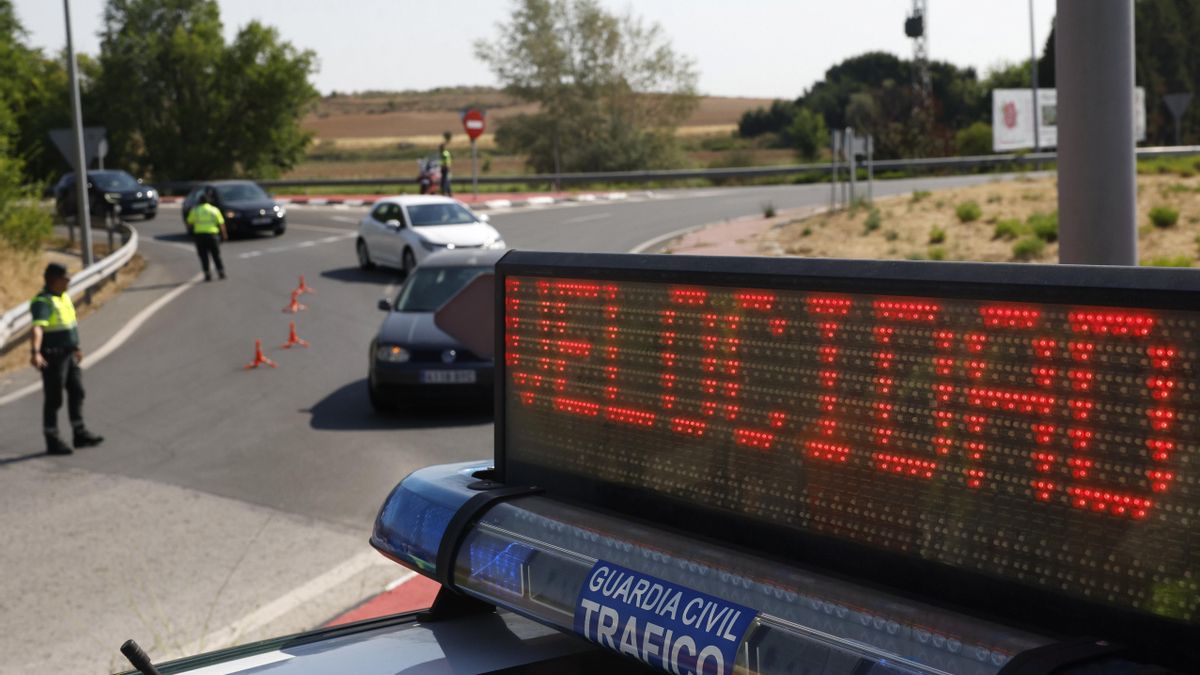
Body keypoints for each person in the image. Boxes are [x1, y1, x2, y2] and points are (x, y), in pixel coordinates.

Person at [30, 263, 104, 455]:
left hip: (69, 354)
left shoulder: (63, 298)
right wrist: (35, 352)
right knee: (54, 398)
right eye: (65, 277)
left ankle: (79, 433)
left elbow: (68, 325)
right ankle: (52, 439)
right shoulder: (43, 302)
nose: (69, 280)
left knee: (77, 391)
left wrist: (76, 347)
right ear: (54, 279)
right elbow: (38, 327)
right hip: (53, 356)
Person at [186, 188, 227, 281]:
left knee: (204, 257)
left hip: (200, 237)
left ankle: (207, 274)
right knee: (216, 255)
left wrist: (191, 232)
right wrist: (224, 235)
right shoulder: (214, 210)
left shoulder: (195, 210)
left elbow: (189, 223)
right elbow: (221, 224)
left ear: (199, 201)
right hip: (212, 236)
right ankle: (221, 272)